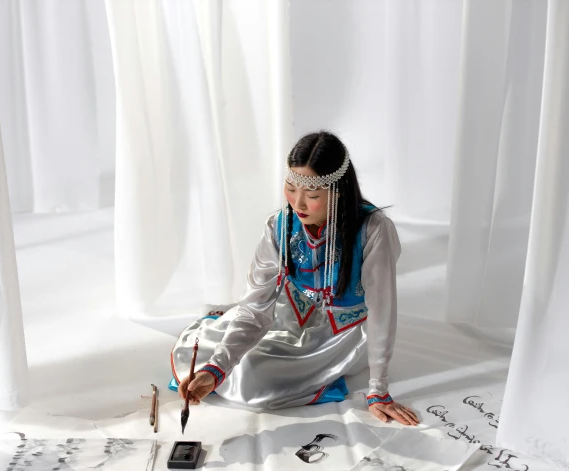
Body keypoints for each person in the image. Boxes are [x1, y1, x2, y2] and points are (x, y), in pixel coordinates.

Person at [170, 131, 419, 426]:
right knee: (205, 359)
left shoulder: (373, 230)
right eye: (291, 188)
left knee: (252, 377)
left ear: (337, 190)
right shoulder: (280, 226)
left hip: (341, 331)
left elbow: (381, 312)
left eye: (312, 195)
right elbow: (255, 309)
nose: (298, 203)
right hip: (289, 311)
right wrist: (216, 370)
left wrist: (378, 391)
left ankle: (320, 377)